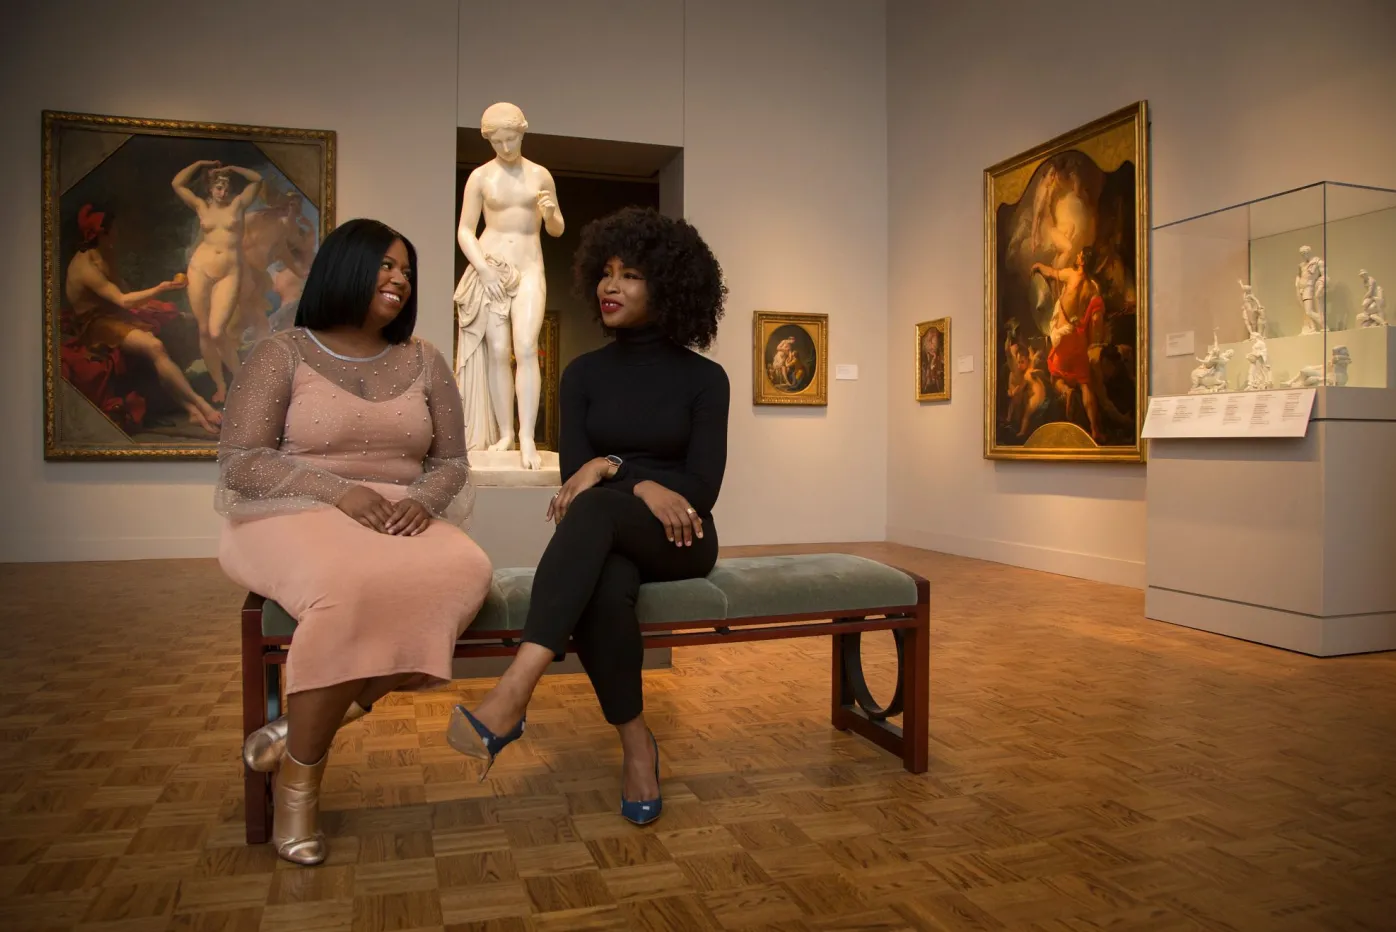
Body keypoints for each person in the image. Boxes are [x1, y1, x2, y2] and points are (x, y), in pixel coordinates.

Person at [215, 218, 494, 865]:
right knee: (347, 590)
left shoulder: (425, 359)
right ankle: (298, 791)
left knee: (466, 572)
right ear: (345, 269)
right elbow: (239, 461)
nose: (399, 279)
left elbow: (451, 462)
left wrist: (423, 502)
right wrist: (336, 491)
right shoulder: (281, 352)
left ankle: (300, 725)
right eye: (386, 266)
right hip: (286, 511)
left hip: (398, 517)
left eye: (407, 270)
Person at [449, 206, 729, 827]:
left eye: (630, 274)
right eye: (605, 272)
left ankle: (514, 691)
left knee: (600, 506)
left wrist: (615, 471)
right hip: (605, 535)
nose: (610, 286)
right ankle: (636, 745)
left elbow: (699, 490)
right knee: (604, 588)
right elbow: (575, 476)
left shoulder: (707, 380)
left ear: (670, 285)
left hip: (682, 538)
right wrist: (636, 479)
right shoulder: (581, 375)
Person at [62, 204, 223, 434]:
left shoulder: (105, 251)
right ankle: (201, 404)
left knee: (177, 324)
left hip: (114, 314)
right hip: (94, 324)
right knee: (154, 347)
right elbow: (123, 300)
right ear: (103, 233)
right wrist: (160, 288)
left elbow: (123, 289)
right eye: (114, 229)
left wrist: (147, 302)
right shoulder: (85, 266)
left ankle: (192, 410)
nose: (118, 232)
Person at [172, 159, 262, 403]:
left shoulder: (238, 205)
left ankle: (242, 379)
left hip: (229, 272)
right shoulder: (201, 206)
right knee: (204, 330)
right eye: (218, 187)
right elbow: (177, 183)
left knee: (216, 330)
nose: (222, 192)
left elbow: (256, 179)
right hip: (200, 268)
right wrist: (201, 164)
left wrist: (233, 169)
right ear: (210, 188)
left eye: (226, 187)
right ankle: (220, 387)